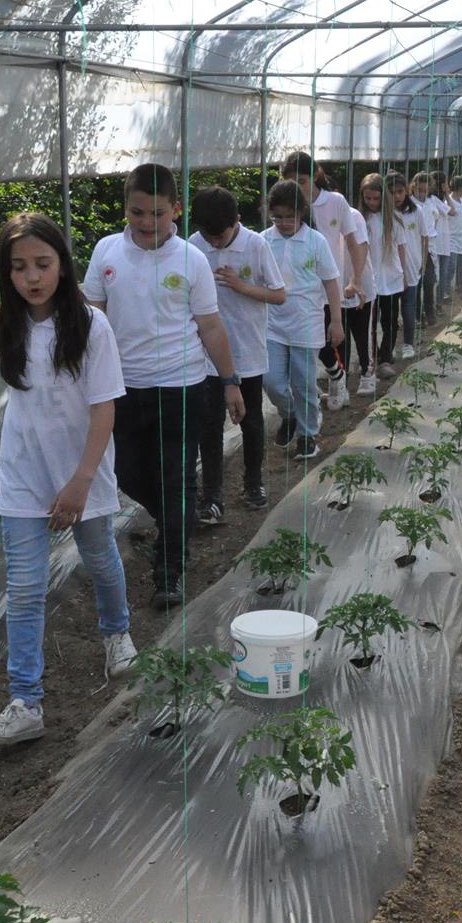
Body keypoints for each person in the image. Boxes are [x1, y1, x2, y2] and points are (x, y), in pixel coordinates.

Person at [0, 212, 136, 747]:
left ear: (63, 266)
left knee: (99, 559)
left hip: (81, 467)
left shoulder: (92, 326)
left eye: (43, 264)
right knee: (23, 589)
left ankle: (117, 633)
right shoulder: (7, 323)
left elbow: (104, 409)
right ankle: (25, 700)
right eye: (19, 268)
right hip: (23, 471)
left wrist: (80, 482)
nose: (32, 277)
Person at [83, 162, 245, 609]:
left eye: (157, 214)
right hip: (121, 388)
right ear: (125, 209)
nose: (148, 223)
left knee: (175, 477)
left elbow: (211, 327)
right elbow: (92, 320)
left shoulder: (190, 259)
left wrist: (230, 382)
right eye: (137, 213)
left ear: (176, 210)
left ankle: (169, 569)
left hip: (181, 385)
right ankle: (176, 519)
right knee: (124, 472)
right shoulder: (107, 253)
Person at [188, 186, 285, 521]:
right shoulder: (193, 247)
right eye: (208, 235)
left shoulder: (256, 245)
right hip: (206, 357)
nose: (214, 242)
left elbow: (279, 294)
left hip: (247, 352)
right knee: (209, 425)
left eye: (221, 235)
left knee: (251, 421)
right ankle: (212, 496)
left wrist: (241, 286)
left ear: (238, 222)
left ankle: (253, 482)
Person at [261, 180, 343, 461]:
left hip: (306, 322)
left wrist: (336, 320)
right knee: (271, 381)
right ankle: (290, 415)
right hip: (272, 323)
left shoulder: (315, 241)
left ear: (302, 213)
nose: (283, 223)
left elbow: (331, 281)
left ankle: (308, 436)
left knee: (304, 382)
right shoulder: (263, 241)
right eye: (278, 217)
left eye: (290, 216)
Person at [281, 151, 368, 407]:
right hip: (299, 286)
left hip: (329, 284)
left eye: (302, 181)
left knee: (330, 338)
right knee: (305, 340)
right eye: (290, 181)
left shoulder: (335, 202)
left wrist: (356, 278)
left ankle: (337, 381)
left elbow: (353, 243)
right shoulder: (287, 208)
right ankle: (318, 384)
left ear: (314, 175)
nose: (297, 187)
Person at [358, 172, 414, 379]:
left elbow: (401, 249)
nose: (371, 202)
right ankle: (369, 361)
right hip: (368, 280)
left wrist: (405, 275)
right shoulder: (359, 219)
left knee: (390, 321)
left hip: (391, 278)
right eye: (367, 198)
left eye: (375, 198)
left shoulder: (394, 220)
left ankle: (385, 358)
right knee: (369, 324)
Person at [393, 172, 425, 357]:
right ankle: (387, 349)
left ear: (406, 191)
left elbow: (424, 236)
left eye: (400, 191)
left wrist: (423, 262)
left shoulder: (416, 212)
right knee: (389, 311)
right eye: (392, 192)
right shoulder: (385, 213)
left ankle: (408, 344)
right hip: (390, 268)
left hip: (412, 266)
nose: (396, 196)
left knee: (408, 306)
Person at [411, 171, 439, 326]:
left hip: (428, 249)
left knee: (429, 281)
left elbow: (436, 218)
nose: (422, 193)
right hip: (413, 249)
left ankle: (430, 312)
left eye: (425, 190)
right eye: (419, 190)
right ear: (413, 187)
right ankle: (417, 315)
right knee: (416, 283)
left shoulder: (430, 202)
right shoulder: (410, 203)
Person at [431, 169, 458, 305]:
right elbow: (453, 211)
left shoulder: (438, 200)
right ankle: (438, 304)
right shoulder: (435, 200)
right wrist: (448, 195)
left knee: (442, 274)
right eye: (446, 183)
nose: (448, 185)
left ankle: (439, 303)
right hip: (439, 243)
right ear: (441, 185)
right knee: (440, 275)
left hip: (443, 242)